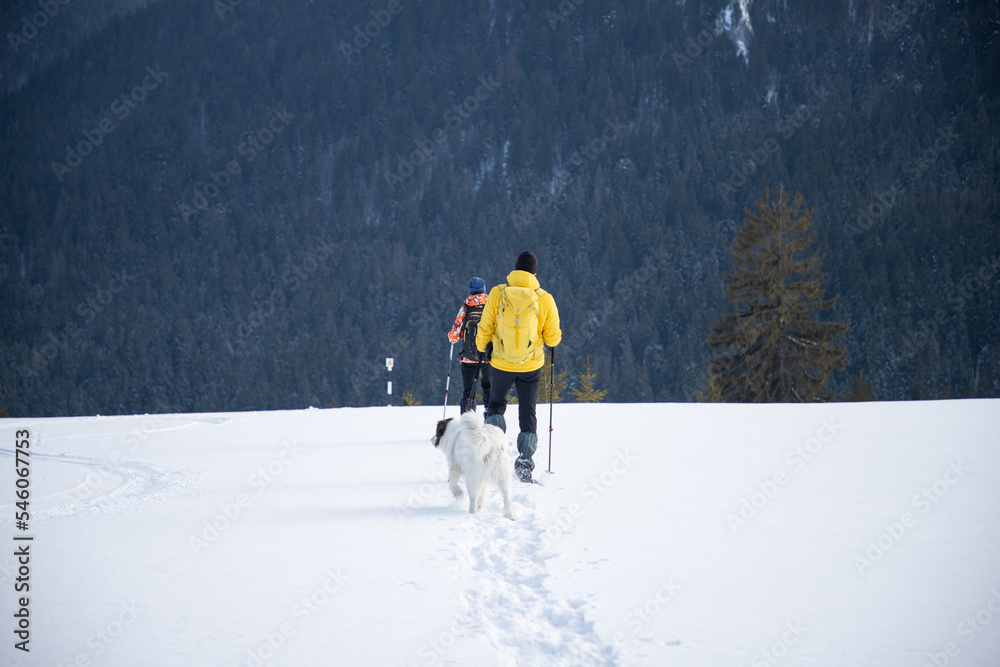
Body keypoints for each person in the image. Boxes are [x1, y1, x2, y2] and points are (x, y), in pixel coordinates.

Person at [476, 251, 561, 483]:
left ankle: (494, 453)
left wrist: (481, 346)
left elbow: (485, 326)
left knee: (495, 405)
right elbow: (553, 339)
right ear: (535, 272)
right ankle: (524, 462)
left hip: (501, 362)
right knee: (528, 412)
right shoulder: (544, 298)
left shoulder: (498, 292)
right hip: (531, 366)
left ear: (514, 269)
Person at [447, 277, 492, 414]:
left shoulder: (466, 306)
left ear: (470, 290)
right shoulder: (492, 305)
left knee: (468, 390)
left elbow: (454, 335)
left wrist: (451, 337)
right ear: (484, 289)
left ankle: (468, 418)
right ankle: (491, 418)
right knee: (489, 387)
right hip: (489, 356)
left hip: (469, 356)